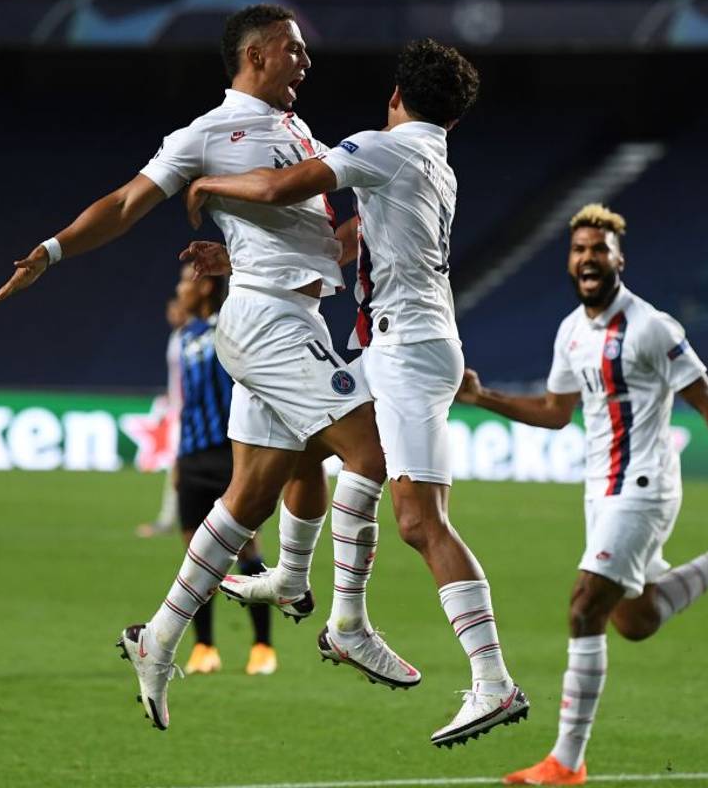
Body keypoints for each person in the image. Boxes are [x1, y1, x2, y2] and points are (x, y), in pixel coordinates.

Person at [0, 4, 419, 734]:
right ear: (254, 55)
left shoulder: (299, 133)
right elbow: (127, 202)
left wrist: (383, 216)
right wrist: (52, 253)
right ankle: (344, 621)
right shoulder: (207, 134)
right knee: (371, 450)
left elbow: (320, 245)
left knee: (252, 497)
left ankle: (157, 639)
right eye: (294, 50)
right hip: (267, 323)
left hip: (293, 315)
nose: (306, 62)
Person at [183, 38, 529, 748]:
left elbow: (287, 185)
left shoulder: (382, 146)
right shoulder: (431, 159)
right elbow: (349, 238)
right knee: (304, 434)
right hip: (398, 346)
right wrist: (242, 255)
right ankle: (320, 601)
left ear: (396, 96)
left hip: (406, 350)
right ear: (454, 119)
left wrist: (211, 188)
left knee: (419, 520)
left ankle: (492, 681)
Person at [453, 204, 708, 785]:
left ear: (619, 259)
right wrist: (483, 397)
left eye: (598, 250)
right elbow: (554, 411)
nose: (588, 258)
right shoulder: (571, 331)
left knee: (585, 605)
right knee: (633, 621)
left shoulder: (651, 327)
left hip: (646, 485)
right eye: (579, 250)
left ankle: (566, 761)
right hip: (601, 489)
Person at [168, 266, 277, 676]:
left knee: (246, 550)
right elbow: (184, 403)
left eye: (185, 281)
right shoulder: (183, 337)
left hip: (230, 456)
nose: (180, 289)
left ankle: (263, 646)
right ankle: (204, 647)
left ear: (206, 285)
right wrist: (178, 461)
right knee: (195, 556)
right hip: (192, 458)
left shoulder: (229, 329)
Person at [136, 298, 190, 539]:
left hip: (194, 415)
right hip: (180, 413)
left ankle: (170, 520)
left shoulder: (194, 338)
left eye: (177, 310)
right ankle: (170, 519)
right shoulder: (176, 337)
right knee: (178, 468)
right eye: (170, 311)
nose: (172, 315)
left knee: (183, 469)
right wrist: (168, 400)